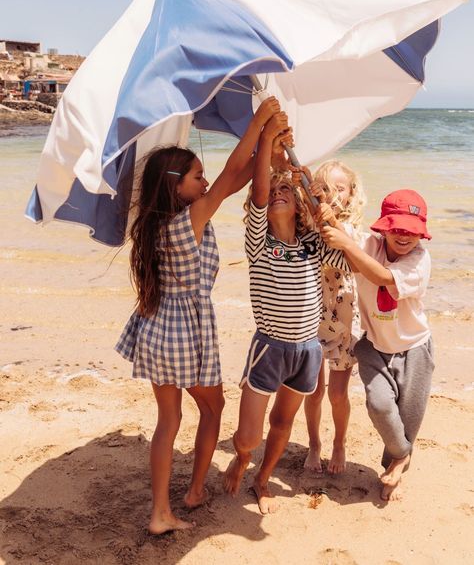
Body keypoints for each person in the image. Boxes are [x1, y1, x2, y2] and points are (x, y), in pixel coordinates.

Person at [115, 96, 284, 535]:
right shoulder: (189, 219)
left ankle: (159, 513)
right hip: (185, 331)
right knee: (213, 409)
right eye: (197, 176)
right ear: (176, 186)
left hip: (155, 326)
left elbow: (235, 178)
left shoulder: (153, 224)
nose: (205, 181)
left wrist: (270, 148)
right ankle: (191, 492)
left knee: (167, 422)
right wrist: (261, 123)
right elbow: (230, 174)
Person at [223, 121, 349, 514]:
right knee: (247, 436)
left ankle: (262, 481)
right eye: (271, 192)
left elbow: (344, 257)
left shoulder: (313, 244)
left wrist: (316, 200)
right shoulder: (259, 242)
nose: (276, 195)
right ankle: (243, 458)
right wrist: (265, 140)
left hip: (307, 350)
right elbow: (259, 195)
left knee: (282, 423)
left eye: (284, 191)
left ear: (296, 204)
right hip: (269, 347)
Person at [319, 189, 433, 500]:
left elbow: (382, 276)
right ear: (383, 226)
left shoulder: (420, 261)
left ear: (420, 233)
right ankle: (403, 455)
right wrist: (323, 207)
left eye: (411, 230)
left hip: (414, 349)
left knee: (408, 418)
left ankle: (394, 469)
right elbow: (340, 235)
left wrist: (345, 244)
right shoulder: (369, 244)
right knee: (380, 405)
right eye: (396, 228)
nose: (404, 236)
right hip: (374, 347)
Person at [302, 160, 366, 475]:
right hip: (313, 315)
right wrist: (308, 194)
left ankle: (339, 441)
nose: (332, 195)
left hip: (344, 317)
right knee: (313, 389)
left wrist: (329, 216)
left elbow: (350, 251)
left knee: (337, 393)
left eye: (338, 188)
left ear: (351, 193)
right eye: (324, 188)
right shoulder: (309, 223)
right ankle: (314, 443)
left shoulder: (354, 228)